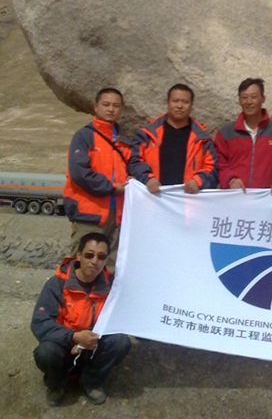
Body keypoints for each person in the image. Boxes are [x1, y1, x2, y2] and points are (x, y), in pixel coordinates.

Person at [31, 232, 131, 406]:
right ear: (79, 256)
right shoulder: (57, 284)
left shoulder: (113, 286)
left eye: (101, 256)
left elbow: (124, 317)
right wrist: (73, 337)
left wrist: (90, 339)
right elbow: (40, 322)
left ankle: (91, 381)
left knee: (121, 341)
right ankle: (56, 384)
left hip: (94, 344)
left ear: (106, 260)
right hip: (65, 344)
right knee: (46, 352)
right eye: (89, 255)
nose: (95, 261)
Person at [63, 87, 134, 268]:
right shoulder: (84, 136)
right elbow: (79, 173)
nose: (111, 109)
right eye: (106, 104)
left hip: (117, 217)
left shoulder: (125, 142)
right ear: (96, 107)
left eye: (116, 106)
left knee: (111, 268)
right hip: (90, 215)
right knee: (82, 267)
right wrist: (112, 187)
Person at [130, 84, 218, 194]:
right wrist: (148, 178)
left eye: (185, 102)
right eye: (175, 101)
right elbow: (135, 161)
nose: (180, 106)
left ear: (191, 106)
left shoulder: (202, 138)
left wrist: (198, 181)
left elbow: (213, 168)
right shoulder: (147, 134)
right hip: (154, 197)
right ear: (168, 103)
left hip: (189, 199)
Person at [215, 78, 272, 194]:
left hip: (269, 197)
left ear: (263, 98)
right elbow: (219, 164)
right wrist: (230, 179)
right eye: (244, 97)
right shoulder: (226, 133)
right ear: (239, 100)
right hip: (235, 196)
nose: (249, 102)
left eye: (254, 97)